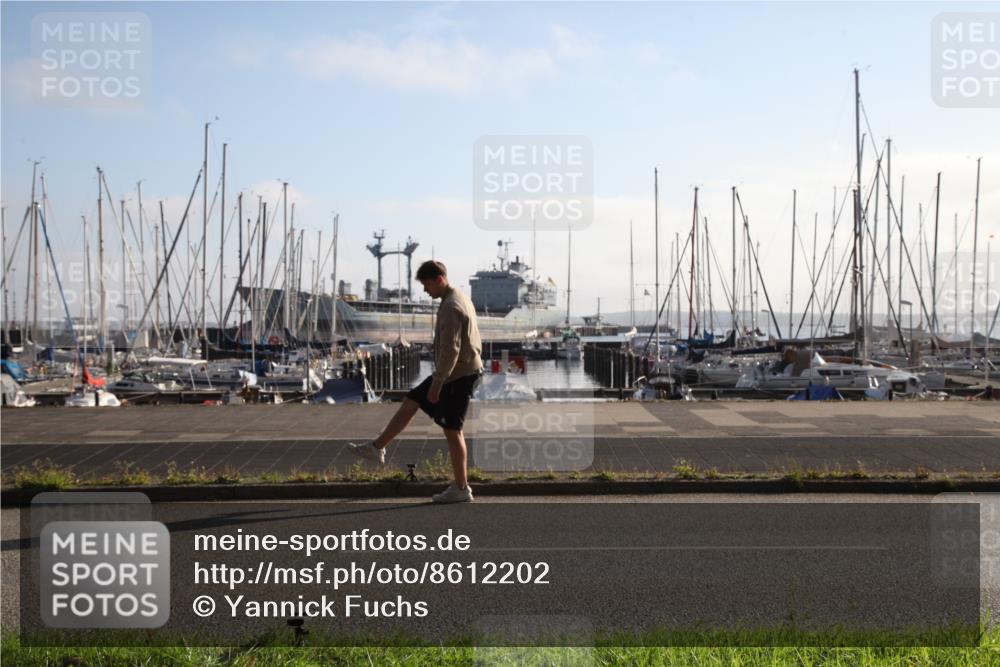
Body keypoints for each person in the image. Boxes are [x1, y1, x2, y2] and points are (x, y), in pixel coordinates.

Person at [349, 260, 483, 503]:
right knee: (411, 400)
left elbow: (450, 350)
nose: (424, 290)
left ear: (439, 279)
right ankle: (377, 447)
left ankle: (462, 488)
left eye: (426, 284)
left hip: (458, 375)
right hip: (457, 371)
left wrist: (437, 383)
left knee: (453, 431)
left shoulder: (451, 306)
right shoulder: (458, 298)